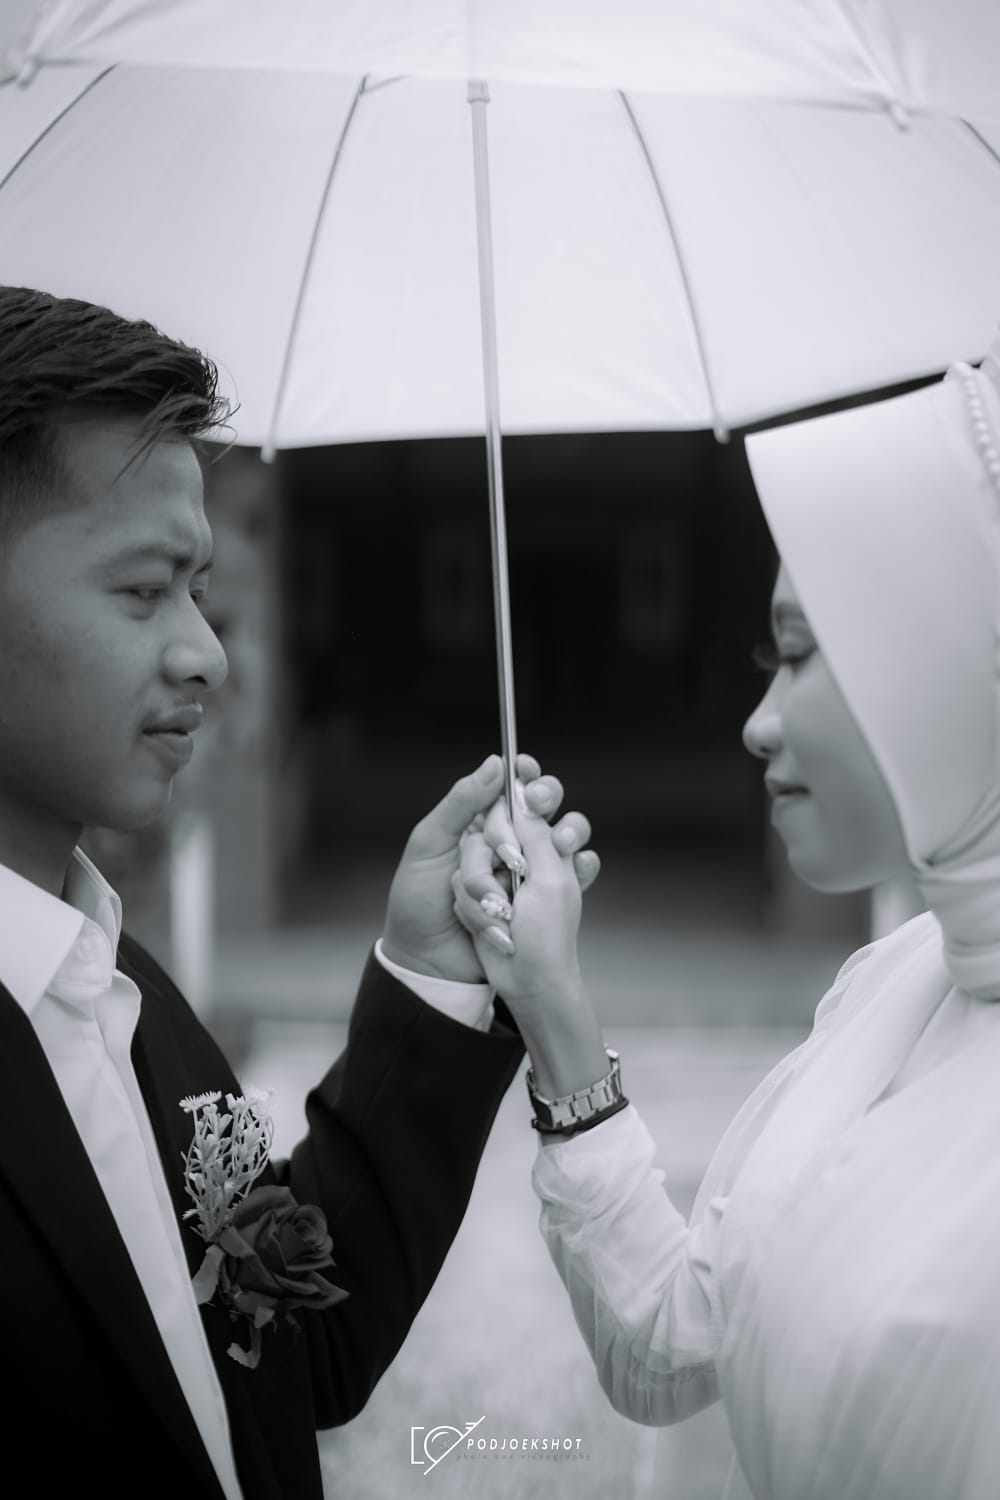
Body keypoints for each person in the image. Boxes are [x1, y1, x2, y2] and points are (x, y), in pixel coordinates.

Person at [0, 285, 599, 1500]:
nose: (207, 652)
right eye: (142, 590)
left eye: (200, 587)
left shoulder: (118, 992)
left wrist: (430, 975)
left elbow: (287, 1345)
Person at [454, 340, 1000, 1499]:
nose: (757, 722)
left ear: (951, 665)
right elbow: (668, 1345)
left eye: (797, 653)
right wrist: (550, 999)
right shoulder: (891, 983)